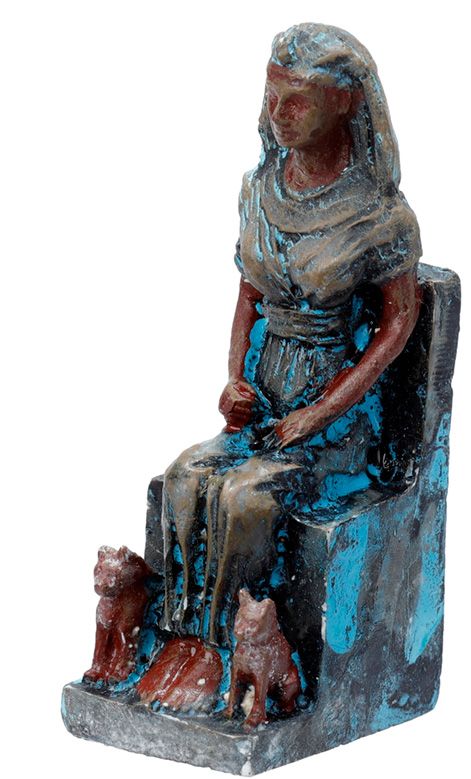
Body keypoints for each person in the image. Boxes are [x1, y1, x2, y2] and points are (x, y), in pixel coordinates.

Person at [161, 23, 422, 647]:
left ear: (345, 102)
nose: (278, 115)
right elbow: (248, 295)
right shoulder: (258, 191)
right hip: (262, 407)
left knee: (245, 499)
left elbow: (398, 324)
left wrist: (319, 414)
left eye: (297, 102)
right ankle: (181, 638)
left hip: (333, 421)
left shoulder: (380, 215)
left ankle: (228, 646)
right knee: (185, 477)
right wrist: (233, 379)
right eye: (272, 97)